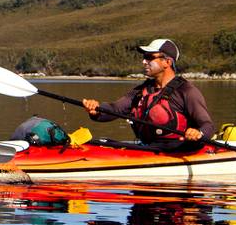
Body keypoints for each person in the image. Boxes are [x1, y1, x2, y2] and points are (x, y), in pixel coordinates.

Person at [81, 38, 213, 147]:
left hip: (179, 150)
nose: (144, 62)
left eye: (149, 57)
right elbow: (115, 109)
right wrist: (97, 110)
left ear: (167, 62)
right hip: (148, 148)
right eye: (144, 57)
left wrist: (198, 133)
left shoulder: (187, 91)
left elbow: (207, 125)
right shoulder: (141, 91)